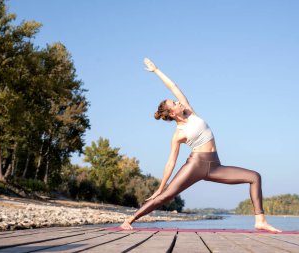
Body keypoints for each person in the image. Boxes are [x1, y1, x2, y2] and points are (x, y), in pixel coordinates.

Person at [120, 58, 281, 232]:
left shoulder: (190, 112)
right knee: (165, 196)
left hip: (215, 167)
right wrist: (160, 187)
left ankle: (260, 221)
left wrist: (156, 70)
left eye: (175, 100)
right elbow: (171, 162)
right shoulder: (178, 134)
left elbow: (173, 86)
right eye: (173, 103)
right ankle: (129, 220)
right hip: (195, 165)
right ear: (172, 113)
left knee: (254, 177)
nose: (177, 101)